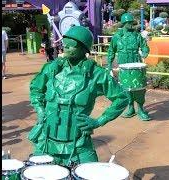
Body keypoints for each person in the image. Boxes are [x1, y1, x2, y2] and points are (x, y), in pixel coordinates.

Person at [28, 25, 129, 166]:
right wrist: (40, 110)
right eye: (65, 44)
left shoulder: (96, 74)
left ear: (84, 49)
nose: (66, 48)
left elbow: (122, 98)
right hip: (46, 141)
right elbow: (35, 89)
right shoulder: (51, 69)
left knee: (91, 174)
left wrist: (99, 121)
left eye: (71, 45)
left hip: (79, 144)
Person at [107, 13, 151, 121]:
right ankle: (131, 108)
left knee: (139, 86)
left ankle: (140, 109)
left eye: (132, 22)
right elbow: (111, 51)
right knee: (125, 87)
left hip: (136, 61)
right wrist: (109, 66)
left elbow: (145, 47)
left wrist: (145, 52)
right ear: (124, 23)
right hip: (123, 63)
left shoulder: (137, 35)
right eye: (129, 23)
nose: (132, 24)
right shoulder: (117, 37)